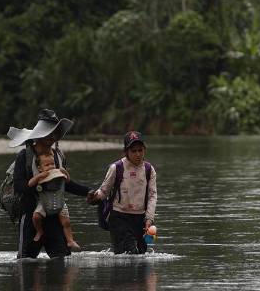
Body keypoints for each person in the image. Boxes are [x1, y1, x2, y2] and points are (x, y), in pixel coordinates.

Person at [8, 109, 92, 258]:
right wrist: (39, 181)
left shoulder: (58, 156)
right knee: (26, 262)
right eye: (48, 132)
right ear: (39, 134)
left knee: (61, 260)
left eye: (54, 133)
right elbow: (19, 187)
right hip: (32, 218)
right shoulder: (25, 157)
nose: (52, 136)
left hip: (54, 217)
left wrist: (89, 192)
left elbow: (66, 184)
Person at [88, 130, 158, 254]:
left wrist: (149, 219)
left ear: (144, 150)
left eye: (140, 150)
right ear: (126, 152)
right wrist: (94, 197)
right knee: (130, 252)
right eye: (133, 151)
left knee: (141, 254)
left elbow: (152, 196)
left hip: (140, 219)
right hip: (119, 217)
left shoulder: (149, 170)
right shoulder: (116, 168)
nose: (138, 154)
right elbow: (104, 191)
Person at [29, 151, 82, 251]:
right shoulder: (40, 176)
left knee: (66, 222)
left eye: (52, 164)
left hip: (59, 201)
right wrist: (39, 177)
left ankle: (70, 240)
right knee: (36, 216)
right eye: (47, 165)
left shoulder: (58, 173)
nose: (51, 167)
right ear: (40, 168)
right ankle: (39, 231)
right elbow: (30, 184)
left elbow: (67, 181)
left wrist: (65, 172)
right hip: (44, 202)